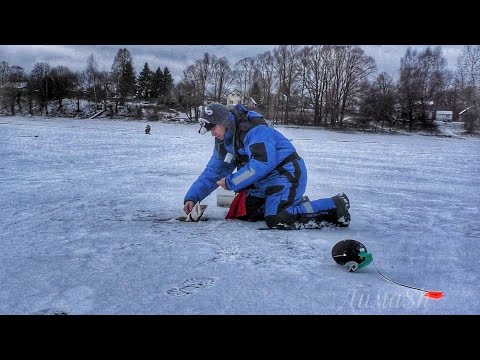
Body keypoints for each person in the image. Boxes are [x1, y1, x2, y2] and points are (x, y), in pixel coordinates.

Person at [182, 103, 351, 230]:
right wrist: (193, 197)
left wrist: (231, 182)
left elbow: (262, 163)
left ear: (224, 122)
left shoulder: (255, 129)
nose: (213, 133)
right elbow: (214, 171)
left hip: (286, 175)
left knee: (278, 218)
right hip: (263, 182)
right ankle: (291, 203)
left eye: (213, 128)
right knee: (247, 213)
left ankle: (335, 205)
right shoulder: (224, 141)